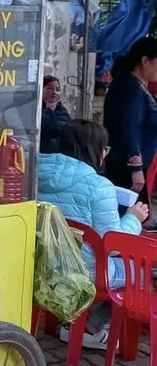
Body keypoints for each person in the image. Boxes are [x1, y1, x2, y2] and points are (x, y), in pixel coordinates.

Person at [38, 119, 148, 349]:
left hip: (42, 263)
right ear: (96, 150)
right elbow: (115, 246)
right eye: (105, 149)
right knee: (139, 272)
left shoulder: (36, 172)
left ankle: (70, 319)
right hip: (83, 272)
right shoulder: (99, 186)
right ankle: (90, 327)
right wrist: (133, 218)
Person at [104, 37, 157, 206]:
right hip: (127, 169)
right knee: (129, 212)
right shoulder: (132, 88)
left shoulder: (132, 85)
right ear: (145, 61)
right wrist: (136, 168)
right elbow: (130, 128)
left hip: (127, 165)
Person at [40, 76, 70, 153]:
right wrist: (49, 111)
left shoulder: (62, 111)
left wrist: (50, 111)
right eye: (49, 88)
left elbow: (61, 132)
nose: (54, 92)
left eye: (57, 89)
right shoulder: (35, 110)